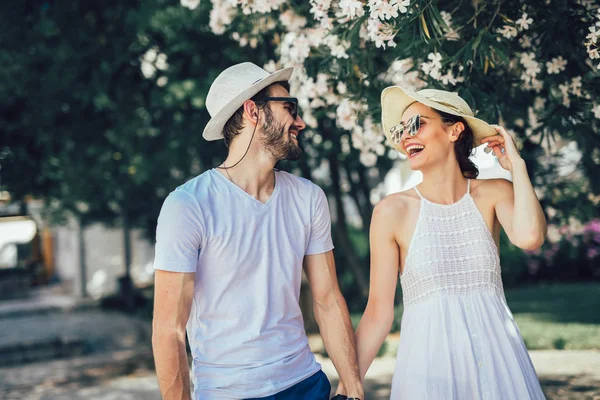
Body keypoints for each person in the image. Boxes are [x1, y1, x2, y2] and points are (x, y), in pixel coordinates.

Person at [151, 62, 363, 400]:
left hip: (306, 384)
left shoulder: (309, 198)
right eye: (289, 108)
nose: (300, 121)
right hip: (228, 392)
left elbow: (327, 300)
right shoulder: (189, 205)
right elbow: (169, 330)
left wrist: (353, 388)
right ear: (253, 111)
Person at [354, 87, 547, 399]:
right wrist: (349, 386)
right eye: (400, 129)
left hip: (498, 364)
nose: (406, 137)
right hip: (429, 369)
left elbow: (530, 237)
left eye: (416, 124)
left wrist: (517, 166)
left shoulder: (495, 192)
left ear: (455, 130)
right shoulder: (391, 211)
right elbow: (378, 312)